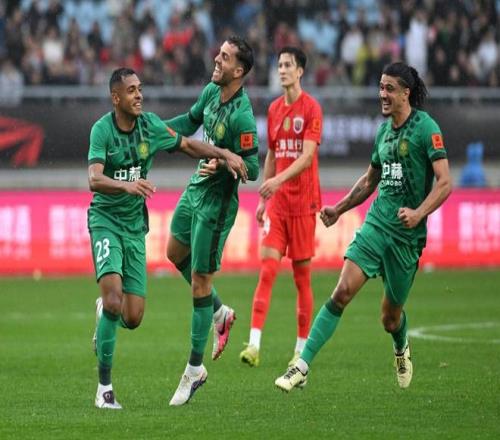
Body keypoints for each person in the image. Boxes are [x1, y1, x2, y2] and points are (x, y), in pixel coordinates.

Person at [275, 61, 452, 392]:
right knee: (342, 292)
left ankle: (400, 347)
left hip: (406, 238)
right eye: (380, 87)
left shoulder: (426, 128)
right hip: (377, 224)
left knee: (389, 318)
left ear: (406, 93)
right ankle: (301, 365)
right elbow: (371, 180)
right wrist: (339, 209)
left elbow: (444, 183)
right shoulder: (383, 132)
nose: (382, 94)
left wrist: (418, 214)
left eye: (389, 89)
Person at [88, 67, 248, 410]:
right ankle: (104, 390)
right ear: (116, 98)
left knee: (133, 317)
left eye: (140, 88)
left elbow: (187, 144)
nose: (139, 95)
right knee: (115, 300)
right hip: (105, 221)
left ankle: (104, 313)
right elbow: (94, 179)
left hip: (134, 228)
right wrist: (127, 186)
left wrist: (223, 154)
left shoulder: (150, 126)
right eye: (131, 90)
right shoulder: (102, 130)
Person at [164, 35, 259, 406]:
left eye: (225, 57)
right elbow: (189, 122)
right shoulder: (209, 92)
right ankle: (220, 312)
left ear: (239, 70)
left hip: (216, 204)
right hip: (195, 190)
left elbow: (252, 166)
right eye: (219, 53)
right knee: (174, 253)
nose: (217, 59)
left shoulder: (242, 115)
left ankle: (194, 370)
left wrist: (223, 162)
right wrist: (152, 129)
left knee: (200, 282)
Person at [239, 46, 323, 368]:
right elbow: (273, 154)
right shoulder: (274, 109)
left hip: (303, 204)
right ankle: (254, 345)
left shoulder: (312, 109)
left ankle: (300, 349)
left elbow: (306, 157)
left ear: (300, 71)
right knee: (267, 270)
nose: (282, 70)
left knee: (302, 279)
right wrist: (264, 198)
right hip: (278, 205)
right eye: (280, 65)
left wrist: (276, 182)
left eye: (288, 65)